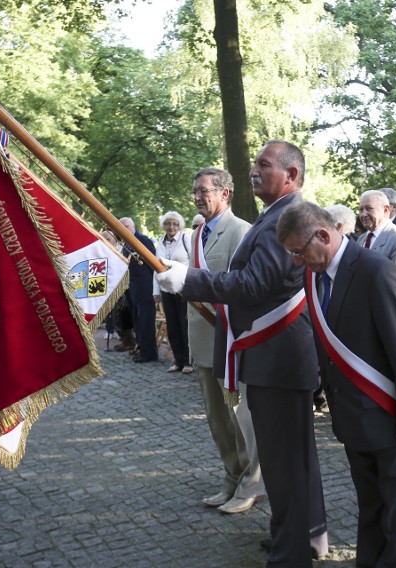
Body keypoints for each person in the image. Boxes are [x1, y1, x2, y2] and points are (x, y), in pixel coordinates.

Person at [156, 140, 329, 565]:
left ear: (291, 175)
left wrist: (189, 279)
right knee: (288, 456)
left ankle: (295, 548)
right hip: (277, 356)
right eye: (253, 163)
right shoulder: (274, 216)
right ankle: (302, 536)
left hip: (280, 357)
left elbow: (254, 285)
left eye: (264, 164)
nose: (253, 170)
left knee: (285, 459)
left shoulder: (283, 219)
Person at [277, 201, 396, 568]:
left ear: (325, 235)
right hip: (352, 418)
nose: (298, 261)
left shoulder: (378, 272)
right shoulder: (315, 273)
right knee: (370, 508)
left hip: (391, 419)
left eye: (299, 252)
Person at [187, 166, 264, 515]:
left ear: (225, 194)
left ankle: (252, 484)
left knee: (239, 417)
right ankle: (231, 477)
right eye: (196, 191)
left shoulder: (242, 232)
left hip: (231, 341)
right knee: (217, 420)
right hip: (203, 340)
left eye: (205, 191)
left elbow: (243, 289)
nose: (199, 197)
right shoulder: (196, 233)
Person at [153, 211, 193, 373]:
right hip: (166, 290)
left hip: (183, 288)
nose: (171, 227)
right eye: (168, 223)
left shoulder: (185, 239)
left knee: (185, 325)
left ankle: (190, 361)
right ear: (164, 225)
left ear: (180, 226)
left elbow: (194, 262)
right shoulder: (160, 242)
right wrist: (155, 291)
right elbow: (156, 268)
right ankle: (178, 360)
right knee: (173, 326)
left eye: (175, 224)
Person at [120, 217, 158, 363]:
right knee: (137, 321)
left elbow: (152, 264)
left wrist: (155, 288)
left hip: (145, 287)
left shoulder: (142, 239)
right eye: (120, 227)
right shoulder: (126, 243)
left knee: (146, 321)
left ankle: (149, 354)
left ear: (133, 226)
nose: (123, 229)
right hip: (132, 287)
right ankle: (142, 349)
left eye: (126, 226)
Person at [357, 189, 396, 282]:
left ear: (386, 210)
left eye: (369, 208)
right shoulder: (361, 239)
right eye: (361, 209)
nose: (363, 214)